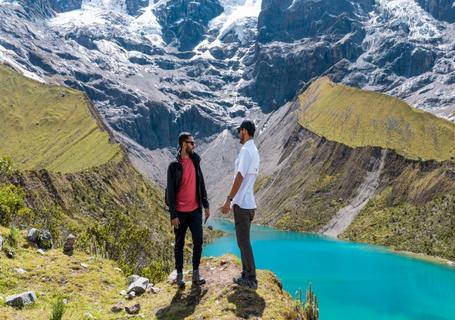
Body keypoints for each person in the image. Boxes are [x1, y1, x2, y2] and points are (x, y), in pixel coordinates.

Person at [166, 132, 210, 288]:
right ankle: (179, 275)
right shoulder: (174, 166)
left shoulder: (195, 161)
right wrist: (173, 215)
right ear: (184, 144)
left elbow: (201, 183)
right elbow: (170, 192)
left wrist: (206, 205)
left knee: (198, 242)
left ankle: (196, 273)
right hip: (180, 213)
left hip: (195, 211)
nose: (194, 145)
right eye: (192, 143)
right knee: (179, 243)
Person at [222, 120, 260, 289]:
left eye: (240, 131)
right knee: (243, 241)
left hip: (242, 204)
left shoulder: (245, 150)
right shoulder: (254, 150)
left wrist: (229, 199)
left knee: (243, 242)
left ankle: (250, 278)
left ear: (244, 131)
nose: (238, 134)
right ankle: (246, 274)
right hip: (249, 203)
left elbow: (239, 176)